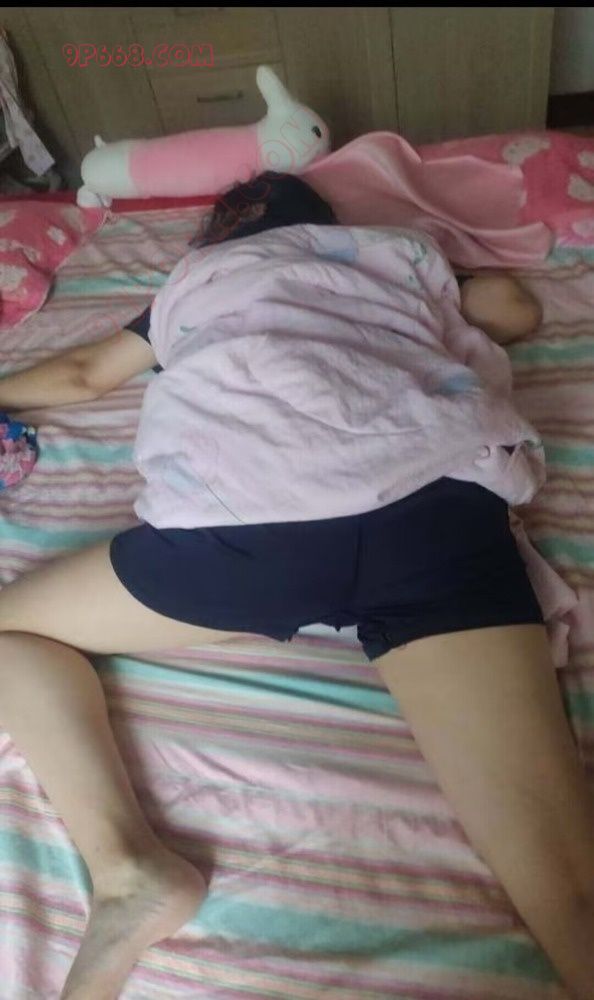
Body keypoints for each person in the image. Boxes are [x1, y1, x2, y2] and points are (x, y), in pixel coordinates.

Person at [0, 171, 591, 1000]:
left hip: (243, 537)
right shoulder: (394, 255)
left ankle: (128, 870)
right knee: (566, 886)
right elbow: (514, 311)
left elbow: (84, 375)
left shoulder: (197, 279)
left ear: (217, 234)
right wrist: (447, 291)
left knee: (11, 633)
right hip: (434, 514)